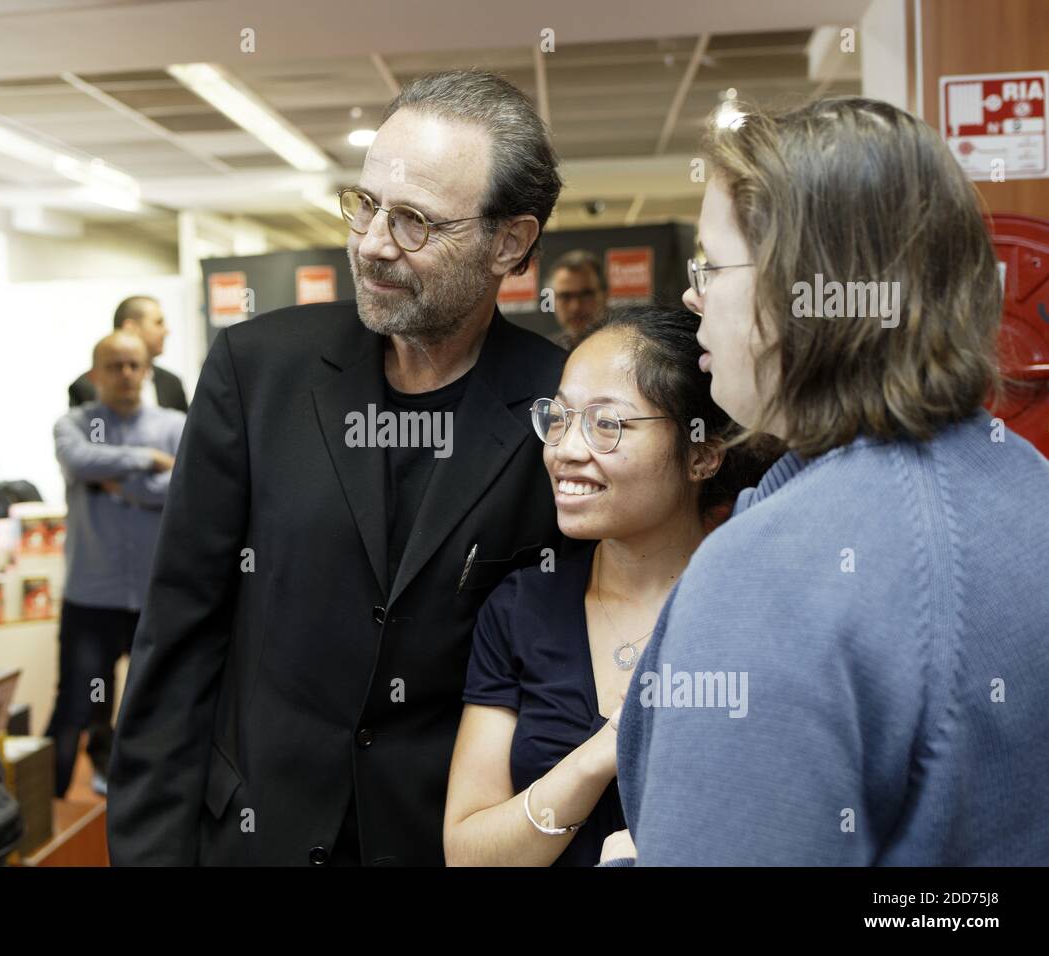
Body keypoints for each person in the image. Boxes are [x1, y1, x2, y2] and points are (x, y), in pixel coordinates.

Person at [108, 69, 582, 866]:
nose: (371, 243)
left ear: (511, 242)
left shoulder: (557, 407)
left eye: (413, 222)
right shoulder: (256, 373)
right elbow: (179, 642)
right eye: (365, 206)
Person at [605, 97, 1049, 865]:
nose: (692, 295)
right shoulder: (1024, 479)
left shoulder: (769, 574)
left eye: (712, 265)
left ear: (802, 291)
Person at [444, 304, 775, 865]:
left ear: (701, 454)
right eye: (560, 417)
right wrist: (601, 754)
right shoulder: (523, 608)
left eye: (607, 424)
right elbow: (469, 853)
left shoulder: (757, 615)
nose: (566, 450)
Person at [47, 332, 184, 799]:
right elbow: (79, 460)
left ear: (147, 371)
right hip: (91, 599)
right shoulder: (74, 425)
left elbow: (187, 489)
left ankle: (155, 805)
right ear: (95, 373)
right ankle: (49, 815)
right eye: (114, 366)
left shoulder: (177, 426)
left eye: (133, 365)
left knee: (164, 709)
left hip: (156, 598)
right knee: (75, 708)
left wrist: (125, 485)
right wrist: (147, 460)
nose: (125, 374)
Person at [70, 295, 188, 412]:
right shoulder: (86, 387)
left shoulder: (172, 384)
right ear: (130, 328)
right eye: (158, 323)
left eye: (134, 367)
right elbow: (94, 430)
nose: (166, 331)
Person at [544, 250, 605, 349]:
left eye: (586, 295)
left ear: (604, 295)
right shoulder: (545, 351)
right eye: (565, 296)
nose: (575, 307)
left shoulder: (625, 350)